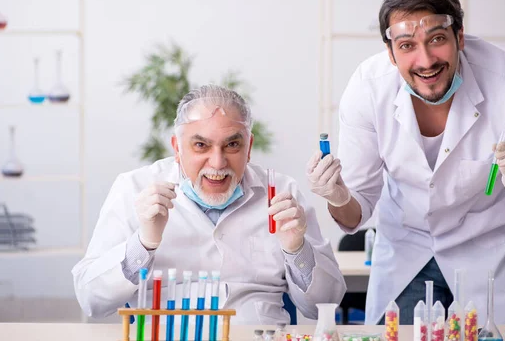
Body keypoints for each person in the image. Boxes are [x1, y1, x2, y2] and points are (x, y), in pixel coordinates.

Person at [307, 0, 505, 325]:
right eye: (407, 45)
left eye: (437, 39)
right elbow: (357, 212)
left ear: (459, 36)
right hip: (405, 255)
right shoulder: (368, 89)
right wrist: (338, 197)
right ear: (390, 51)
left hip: (491, 257)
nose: (425, 60)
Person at [72, 85, 346, 324]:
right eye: (201, 145)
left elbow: (326, 303)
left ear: (248, 147)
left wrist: (296, 248)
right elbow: (91, 300)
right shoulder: (134, 188)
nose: (217, 163)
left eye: (232, 145)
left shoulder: (282, 193)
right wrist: (143, 243)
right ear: (177, 148)